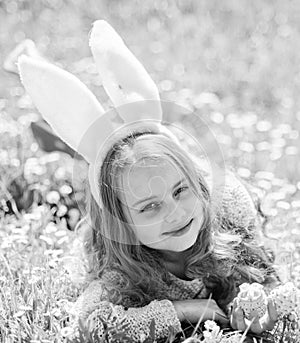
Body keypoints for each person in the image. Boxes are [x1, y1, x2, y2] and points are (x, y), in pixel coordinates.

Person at [18, 20, 298, 342]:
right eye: (150, 207)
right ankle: (35, 80)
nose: (176, 213)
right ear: (121, 223)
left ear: (198, 183)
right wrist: (184, 309)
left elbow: (268, 279)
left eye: (181, 190)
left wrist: (257, 311)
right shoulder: (117, 265)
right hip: (108, 173)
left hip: (138, 163)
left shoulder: (228, 211)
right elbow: (92, 325)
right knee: (83, 146)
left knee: (105, 141)